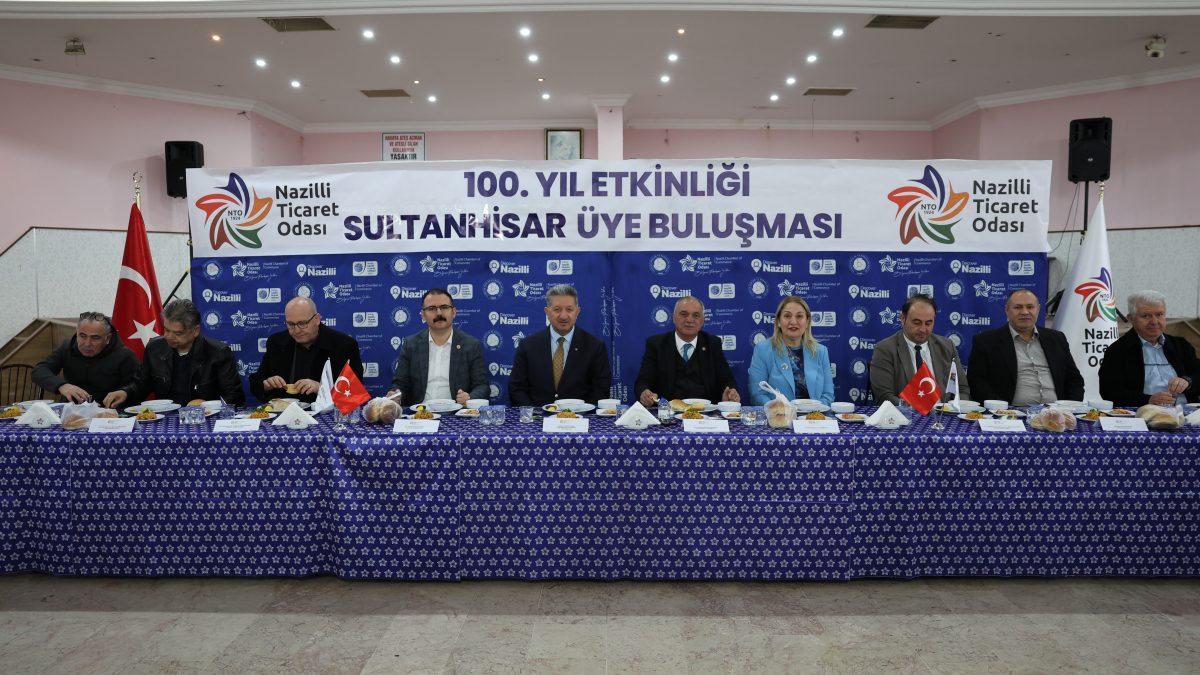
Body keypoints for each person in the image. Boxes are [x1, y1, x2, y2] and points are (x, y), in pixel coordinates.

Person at [103, 298, 244, 407]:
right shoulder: (154, 348)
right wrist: (125, 392)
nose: (168, 337)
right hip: (164, 419)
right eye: (166, 330)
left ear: (195, 331)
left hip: (205, 420)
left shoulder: (218, 352)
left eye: (178, 333)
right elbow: (141, 385)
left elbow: (234, 396)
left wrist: (208, 407)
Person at [968, 289, 1084, 405]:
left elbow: (1074, 380)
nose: (1024, 312)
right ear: (1007, 310)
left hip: (1057, 412)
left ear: (1038, 309)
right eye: (1018, 307)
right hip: (1010, 412)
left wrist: (1070, 407)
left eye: (1030, 307)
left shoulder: (1057, 339)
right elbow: (977, 382)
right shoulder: (986, 341)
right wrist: (1001, 409)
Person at [508, 284, 611, 406]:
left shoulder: (595, 347)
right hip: (537, 416)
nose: (563, 316)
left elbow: (601, 390)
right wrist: (534, 414)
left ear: (577, 312)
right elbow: (516, 389)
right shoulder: (528, 346)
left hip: (580, 416)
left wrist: (578, 413)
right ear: (547, 312)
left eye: (569, 309)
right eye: (557, 309)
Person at [249, 296, 364, 403]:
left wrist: (321, 388)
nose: (297, 330)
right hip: (285, 413)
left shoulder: (344, 345)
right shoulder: (276, 342)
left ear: (317, 319)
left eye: (302, 323)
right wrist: (266, 385)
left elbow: (354, 394)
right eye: (290, 324)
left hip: (326, 413)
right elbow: (256, 383)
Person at [1099, 290, 1200, 407]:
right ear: (1131, 319)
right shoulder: (1118, 350)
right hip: (1144, 413)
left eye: (1159, 314)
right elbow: (1109, 392)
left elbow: (1197, 374)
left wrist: (1188, 381)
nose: (1154, 322)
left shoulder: (1180, 345)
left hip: (1187, 412)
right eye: (1146, 316)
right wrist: (1148, 400)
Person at [389, 288, 489, 406]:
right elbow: (400, 384)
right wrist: (396, 395)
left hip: (456, 412)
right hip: (419, 412)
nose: (439, 313)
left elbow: (482, 386)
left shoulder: (471, 345)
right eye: (432, 309)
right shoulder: (410, 344)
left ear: (454, 312)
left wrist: (470, 398)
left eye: (444, 307)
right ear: (423, 315)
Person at [635, 296, 739, 407]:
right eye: (684, 314)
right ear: (674, 317)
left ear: (702, 320)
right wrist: (645, 393)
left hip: (705, 412)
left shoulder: (713, 344)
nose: (689, 320)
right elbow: (643, 382)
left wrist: (731, 393)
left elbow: (727, 380)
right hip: (667, 412)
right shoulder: (657, 344)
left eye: (696, 315)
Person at [870, 293, 969, 405]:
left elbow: (961, 388)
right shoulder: (885, 349)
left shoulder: (947, 346)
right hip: (907, 414)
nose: (923, 329)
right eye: (916, 323)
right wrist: (916, 408)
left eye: (928, 323)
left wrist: (954, 408)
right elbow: (884, 396)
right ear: (902, 319)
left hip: (944, 412)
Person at [32, 311, 139, 403]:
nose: (87, 344)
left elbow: (138, 388)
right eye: (82, 336)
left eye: (95, 338)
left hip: (109, 414)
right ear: (76, 333)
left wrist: (125, 392)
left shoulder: (125, 356)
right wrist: (62, 385)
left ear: (107, 338)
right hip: (70, 411)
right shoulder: (67, 347)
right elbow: (39, 370)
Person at [748, 296, 834, 406]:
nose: (793, 321)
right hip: (778, 415)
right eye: (787, 316)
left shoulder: (821, 351)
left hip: (814, 415)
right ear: (778, 321)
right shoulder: (763, 350)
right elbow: (758, 394)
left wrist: (813, 412)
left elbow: (828, 395)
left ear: (807, 322)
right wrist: (783, 411)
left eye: (799, 316)